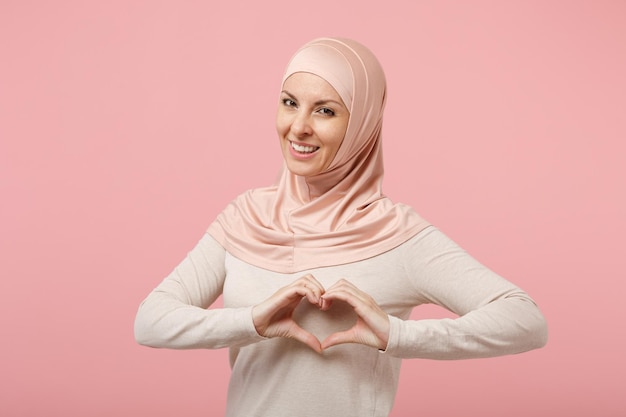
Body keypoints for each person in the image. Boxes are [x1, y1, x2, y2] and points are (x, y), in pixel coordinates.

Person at [134, 37, 548, 417]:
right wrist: (251, 322)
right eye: (289, 102)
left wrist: (397, 335)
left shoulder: (395, 233)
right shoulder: (245, 218)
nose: (298, 127)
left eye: (326, 110)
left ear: (363, 124)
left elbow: (524, 320)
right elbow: (151, 321)